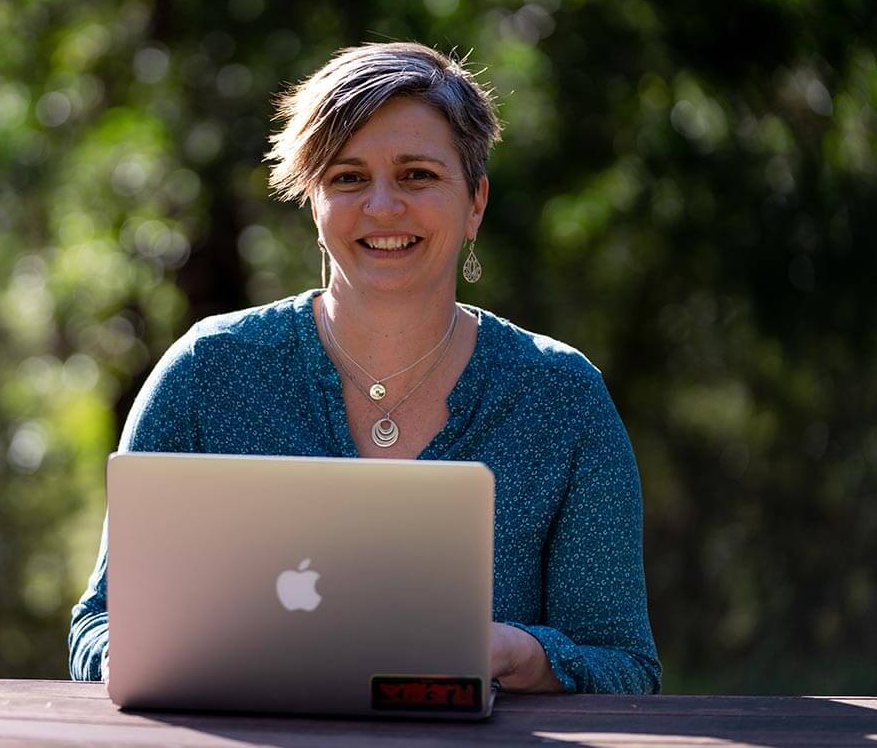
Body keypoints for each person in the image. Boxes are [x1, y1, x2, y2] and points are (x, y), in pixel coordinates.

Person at [69, 41, 661, 694]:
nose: (382, 207)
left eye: (417, 175)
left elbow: (625, 669)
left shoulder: (560, 397)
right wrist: (160, 659)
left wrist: (517, 654)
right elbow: (100, 625)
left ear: (475, 204)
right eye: (348, 177)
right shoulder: (205, 374)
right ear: (313, 202)